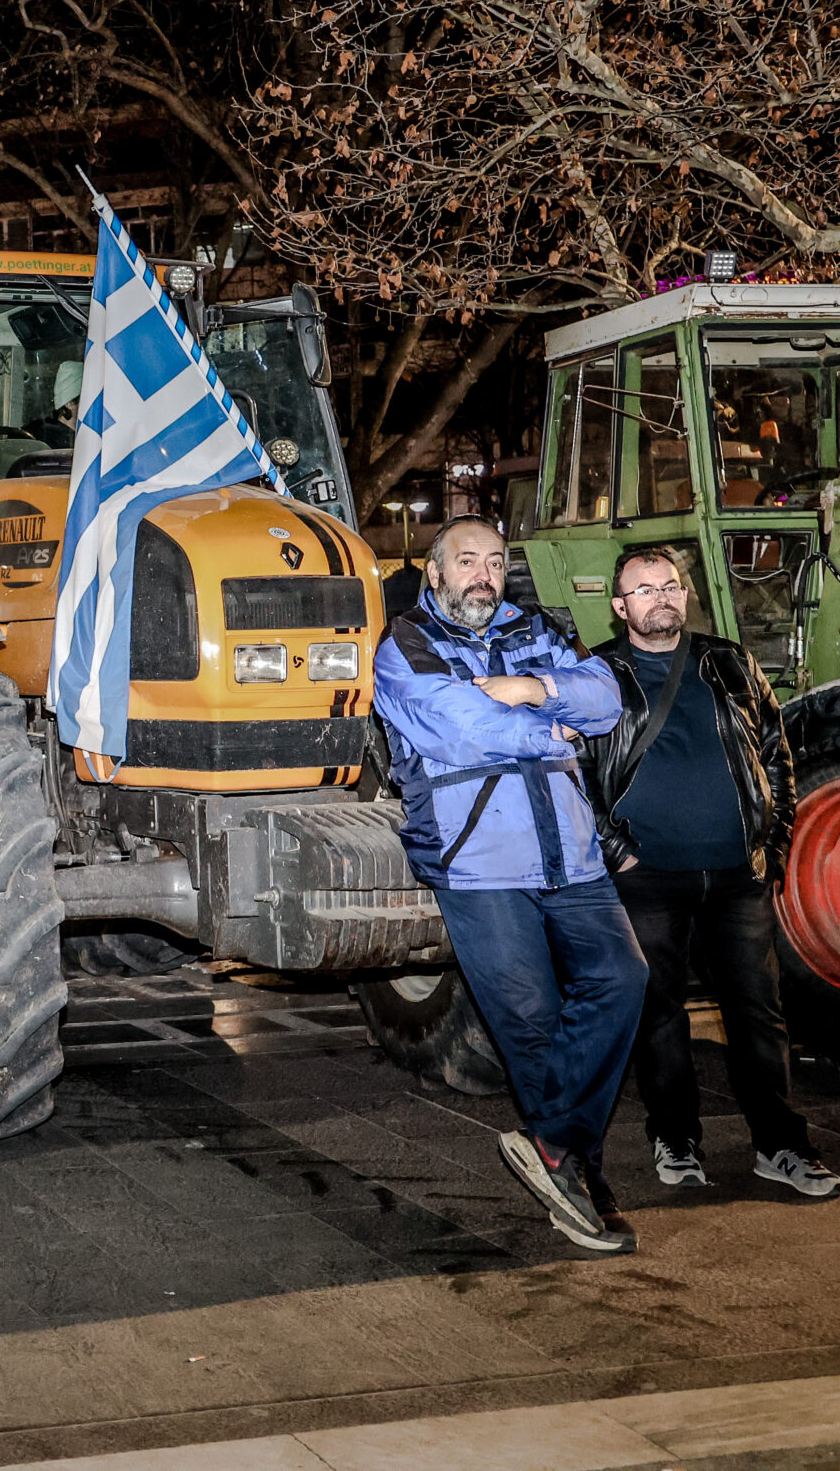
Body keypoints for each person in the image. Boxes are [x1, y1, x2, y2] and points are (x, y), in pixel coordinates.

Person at [374, 517, 646, 1254]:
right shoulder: (407, 646)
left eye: (495, 561)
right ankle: (579, 1173)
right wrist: (546, 728)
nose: (483, 575)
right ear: (434, 572)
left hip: (572, 856)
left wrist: (530, 686)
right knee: (531, 1020)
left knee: (623, 978)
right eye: (467, 561)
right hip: (479, 863)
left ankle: (555, 1145)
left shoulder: (538, 630)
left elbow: (606, 699)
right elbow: (456, 729)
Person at [588, 544, 840, 1199]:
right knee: (661, 1016)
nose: (661, 598)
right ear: (620, 606)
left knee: (759, 1014)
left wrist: (775, 842)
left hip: (737, 874)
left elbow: (775, 751)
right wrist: (613, 849)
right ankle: (675, 1137)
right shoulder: (596, 673)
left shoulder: (728, 660)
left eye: (670, 585)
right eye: (643, 589)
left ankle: (782, 1146)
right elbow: (569, 774)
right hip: (647, 879)